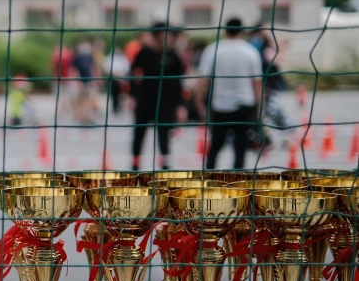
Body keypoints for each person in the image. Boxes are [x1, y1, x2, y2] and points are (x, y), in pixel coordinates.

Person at [198, 17, 263, 169]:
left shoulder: (213, 50)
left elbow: (203, 81)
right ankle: (238, 183)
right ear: (241, 31)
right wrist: (260, 108)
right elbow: (257, 84)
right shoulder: (250, 51)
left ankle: (209, 180)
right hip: (245, 105)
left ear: (225, 30)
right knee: (240, 149)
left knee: (215, 147)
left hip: (220, 106)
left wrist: (199, 103)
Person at [129, 23, 185, 171]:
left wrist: (180, 105)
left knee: (164, 135)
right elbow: (133, 73)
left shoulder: (173, 55)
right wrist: (132, 96)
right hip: (145, 100)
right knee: (139, 134)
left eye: (171, 35)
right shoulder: (145, 53)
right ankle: (135, 165)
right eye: (164, 35)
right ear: (156, 37)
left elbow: (179, 82)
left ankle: (165, 166)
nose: (169, 38)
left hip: (166, 103)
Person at [71, 40, 101, 124]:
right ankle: (81, 117)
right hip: (81, 82)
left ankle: (86, 117)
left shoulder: (90, 57)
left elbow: (93, 69)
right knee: (80, 100)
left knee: (89, 100)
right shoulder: (77, 58)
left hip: (89, 81)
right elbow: (74, 70)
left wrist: (95, 80)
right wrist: (78, 81)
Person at [102, 46, 130, 115]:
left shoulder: (123, 58)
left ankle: (119, 106)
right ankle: (115, 107)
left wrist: (120, 75)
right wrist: (114, 73)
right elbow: (106, 68)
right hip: (113, 79)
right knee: (113, 93)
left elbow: (127, 67)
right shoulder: (110, 58)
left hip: (121, 79)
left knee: (120, 94)